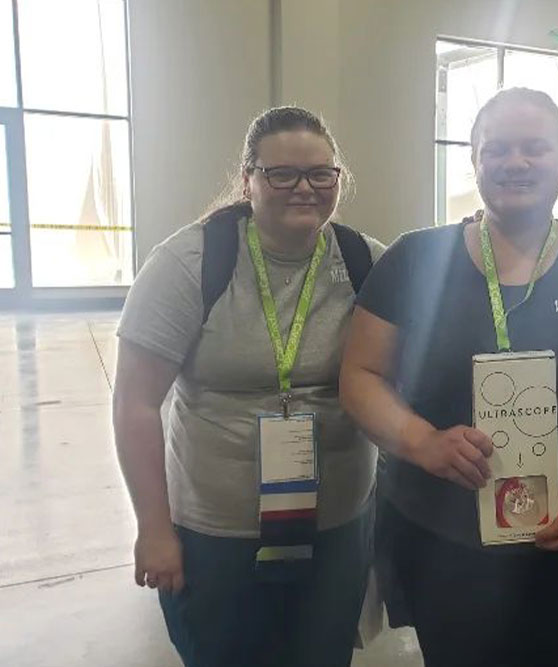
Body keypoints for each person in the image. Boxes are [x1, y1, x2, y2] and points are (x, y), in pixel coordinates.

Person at [339, 87, 558, 667]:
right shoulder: (415, 260)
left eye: (535, 148)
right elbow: (360, 375)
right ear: (474, 160)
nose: (515, 162)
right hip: (442, 542)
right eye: (496, 148)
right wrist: (423, 442)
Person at [112, 106, 382, 667]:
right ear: (248, 179)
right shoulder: (190, 263)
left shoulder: (364, 261)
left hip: (336, 527)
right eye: (281, 173)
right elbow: (136, 404)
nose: (303, 188)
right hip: (218, 534)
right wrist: (154, 530)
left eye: (321, 174)